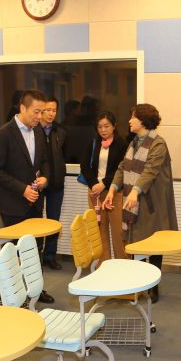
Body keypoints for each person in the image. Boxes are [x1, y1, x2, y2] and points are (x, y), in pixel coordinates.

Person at [104, 104, 177, 303]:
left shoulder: (158, 144)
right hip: (134, 203)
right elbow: (122, 168)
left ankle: (153, 287)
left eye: (133, 117)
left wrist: (135, 191)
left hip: (151, 203)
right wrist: (112, 189)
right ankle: (140, 283)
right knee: (137, 243)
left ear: (143, 121)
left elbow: (150, 171)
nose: (129, 121)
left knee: (153, 245)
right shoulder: (134, 142)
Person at [0, 89, 54, 303]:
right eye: (36, 111)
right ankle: (16, 295)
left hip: (35, 201)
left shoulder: (38, 132)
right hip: (13, 204)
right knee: (17, 250)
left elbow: (44, 161)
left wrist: (45, 177)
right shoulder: (3, 134)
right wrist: (21, 189)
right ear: (23, 108)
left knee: (35, 249)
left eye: (43, 112)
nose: (40, 116)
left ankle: (36, 289)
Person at [79, 111, 127, 264]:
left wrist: (104, 183)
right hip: (95, 192)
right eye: (100, 127)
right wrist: (94, 184)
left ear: (114, 126)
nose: (103, 130)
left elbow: (121, 169)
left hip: (114, 192)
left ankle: (122, 265)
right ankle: (103, 266)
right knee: (99, 230)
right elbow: (84, 165)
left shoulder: (121, 143)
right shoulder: (93, 142)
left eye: (106, 126)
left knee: (118, 231)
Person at [39, 96, 66, 270]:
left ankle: (50, 255)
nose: (51, 114)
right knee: (35, 221)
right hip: (38, 183)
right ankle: (35, 256)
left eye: (54, 110)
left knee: (54, 220)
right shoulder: (33, 130)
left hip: (56, 183)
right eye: (47, 110)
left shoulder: (60, 131)